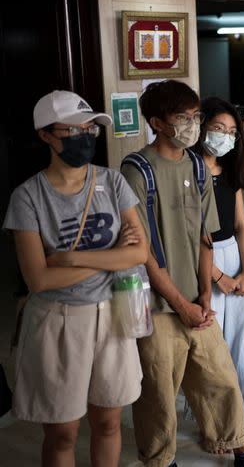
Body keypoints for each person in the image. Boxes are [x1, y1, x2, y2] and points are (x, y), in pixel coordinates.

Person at [122, 80, 244, 467]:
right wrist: (180, 303)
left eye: (196, 117)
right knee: (159, 389)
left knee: (220, 375)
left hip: (195, 297)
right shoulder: (136, 170)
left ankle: (240, 449)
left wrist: (205, 297)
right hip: (155, 301)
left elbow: (204, 237)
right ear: (157, 123)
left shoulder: (196, 166)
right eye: (184, 118)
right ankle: (161, 461)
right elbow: (144, 252)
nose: (194, 126)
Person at [3, 91, 146, 467]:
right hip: (58, 320)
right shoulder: (27, 198)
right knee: (63, 430)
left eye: (90, 129)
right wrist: (110, 256)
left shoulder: (113, 182)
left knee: (109, 422)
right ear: (46, 135)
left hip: (112, 314)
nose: (85, 136)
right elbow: (39, 280)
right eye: (74, 129)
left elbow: (139, 252)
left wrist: (69, 258)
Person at [191, 97, 244, 415]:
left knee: (240, 341)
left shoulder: (231, 169)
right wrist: (219, 277)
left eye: (232, 131)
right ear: (202, 128)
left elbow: (242, 224)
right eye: (218, 128)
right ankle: (211, 419)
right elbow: (191, 237)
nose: (225, 135)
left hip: (235, 255)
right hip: (204, 261)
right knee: (209, 347)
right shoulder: (187, 170)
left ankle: (239, 410)